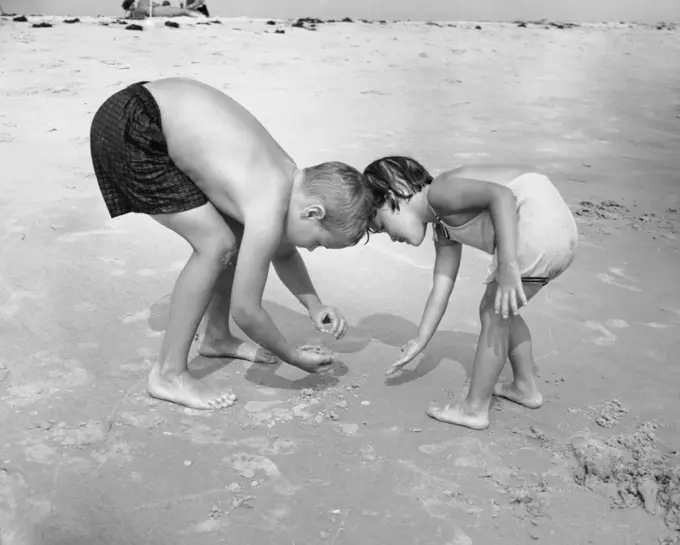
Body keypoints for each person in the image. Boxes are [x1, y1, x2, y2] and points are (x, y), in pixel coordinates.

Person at [90, 78, 373, 411]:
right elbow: (247, 310)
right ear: (313, 212)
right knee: (216, 244)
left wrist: (314, 306)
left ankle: (215, 337)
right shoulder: (268, 200)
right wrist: (291, 356)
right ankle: (168, 374)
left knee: (236, 235)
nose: (311, 250)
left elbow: (282, 250)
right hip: (135, 126)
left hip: (147, 110)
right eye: (319, 243)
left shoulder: (286, 179)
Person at [363, 157, 578, 430]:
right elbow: (442, 286)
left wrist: (508, 263)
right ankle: (524, 387)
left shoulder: (441, 192)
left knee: (494, 312)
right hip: (555, 230)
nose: (391, 237)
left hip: (537, 220)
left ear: (395, 191)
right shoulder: (443, 226)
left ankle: (474, 408)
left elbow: (502, 195)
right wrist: (420, 339)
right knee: (502, 310)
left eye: (381, 226)